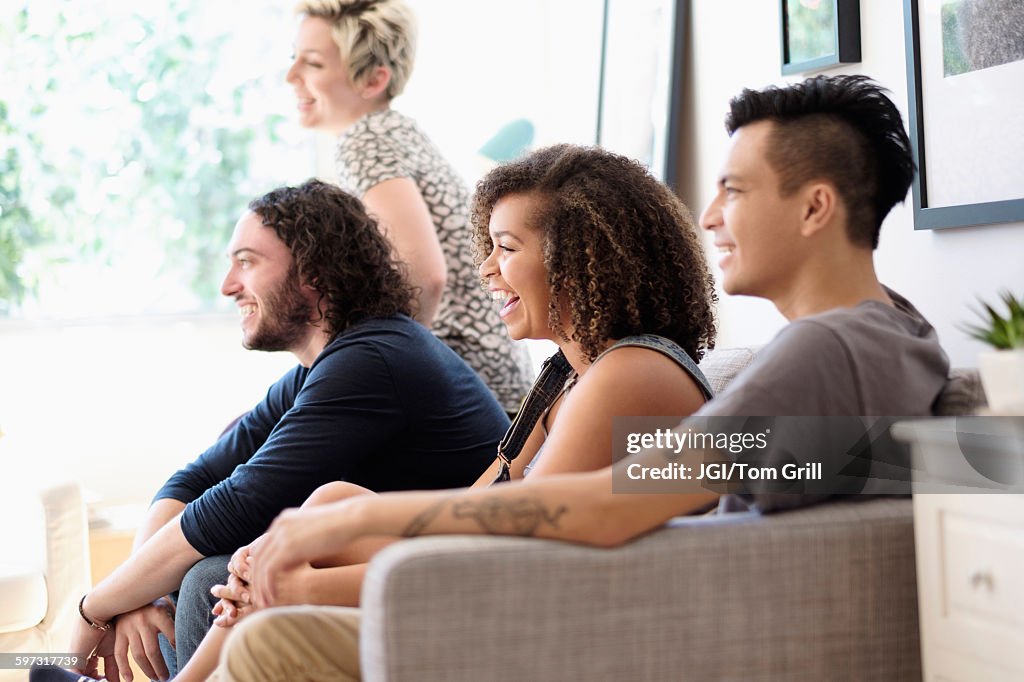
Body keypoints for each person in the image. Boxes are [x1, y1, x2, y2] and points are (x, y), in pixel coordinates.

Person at [202, 74, 951, 681]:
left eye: (736, 190)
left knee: (273, 639)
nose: (710, 214)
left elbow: (605, 507)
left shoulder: (824, 353)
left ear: (816, 207)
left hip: (628, 631)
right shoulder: (896, 339)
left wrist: (345, 526)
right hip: (655, 605)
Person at [152, 143, 720, 681]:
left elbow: (509, 555)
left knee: (268, 570)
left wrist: (302, 586)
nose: (488, 269)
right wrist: (292, 551)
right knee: (325, 503)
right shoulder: (569, 379)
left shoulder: (628, 374)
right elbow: (473, 511)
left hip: (529, 625)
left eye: (507, 247)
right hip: (491, 585)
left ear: (579, 260)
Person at [48, 179, 507, 682]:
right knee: (187, 573)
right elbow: (191, 482)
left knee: (207, 578)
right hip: (390, 570)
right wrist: (141, 595)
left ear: (314, 271)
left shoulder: (373, 360)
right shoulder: (324, 368)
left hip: (447, 592)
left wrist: (92, 608)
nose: (227, 285)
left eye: (247, 261)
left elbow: (235, 505)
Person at [286, 0, 533, 413]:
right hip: (493, 378)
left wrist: (373, 366)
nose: (290, 76)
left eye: (312, 64)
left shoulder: (365, 141)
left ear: (373, 80)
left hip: (469, 380)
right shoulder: (393, 131)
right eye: (294, 59)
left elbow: (424, 276)